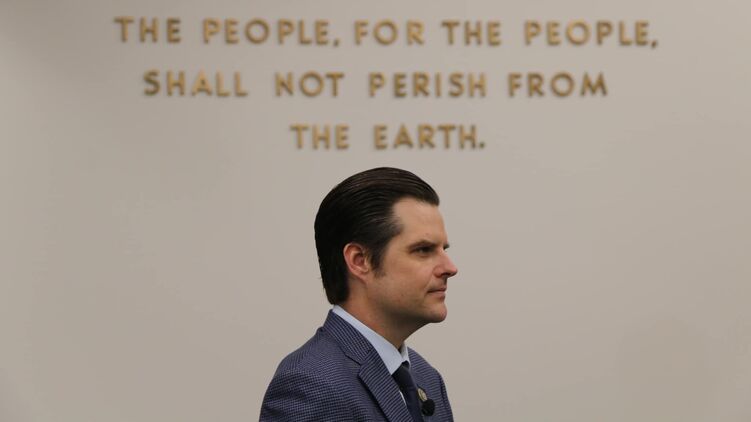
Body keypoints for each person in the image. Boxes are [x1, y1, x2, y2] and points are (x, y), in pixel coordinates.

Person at [260, 167, 459, 422]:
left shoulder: (427, 378)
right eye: (423, 250)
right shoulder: (310, 384)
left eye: (444, 249)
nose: (450, 268)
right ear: (359, 260)